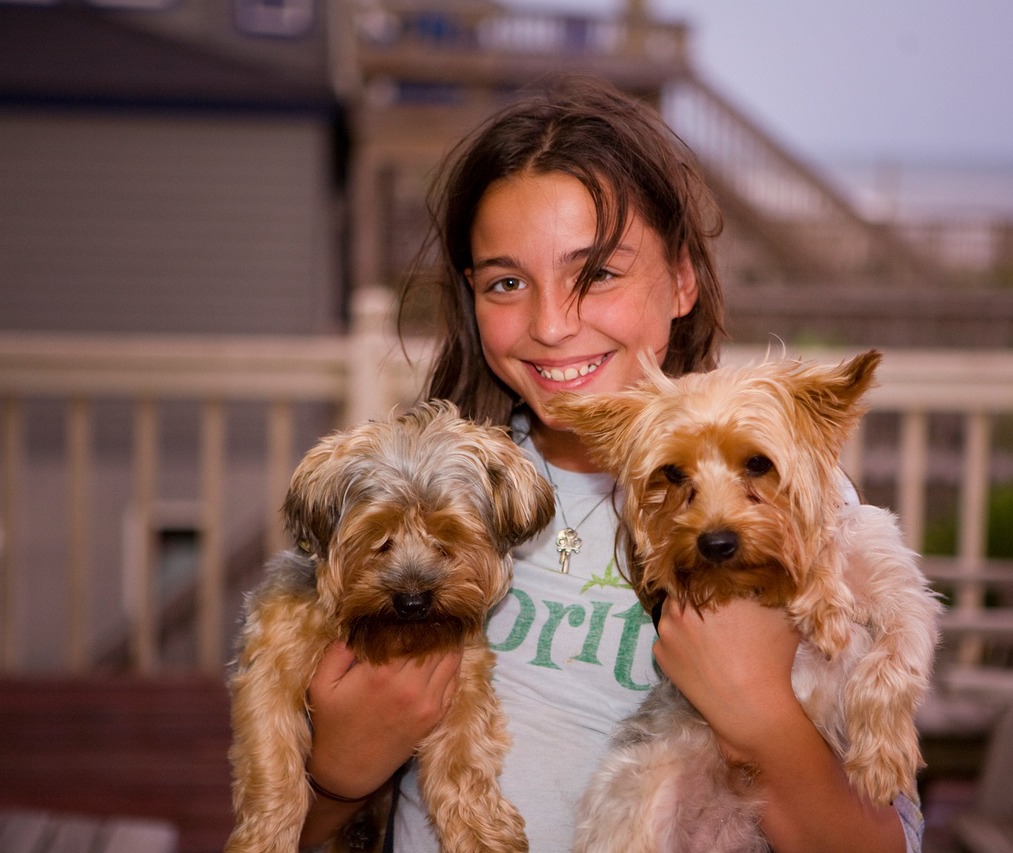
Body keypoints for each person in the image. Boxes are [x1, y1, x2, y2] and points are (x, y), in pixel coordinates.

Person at [298, 78, 923, 852]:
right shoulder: (424, 506)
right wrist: (336, 777)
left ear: (684, 278)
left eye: (597, 273)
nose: (552, 325)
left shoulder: (790, 512)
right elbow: (274, 824)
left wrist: (760, 712)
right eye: (506, 281)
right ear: (470, 296)